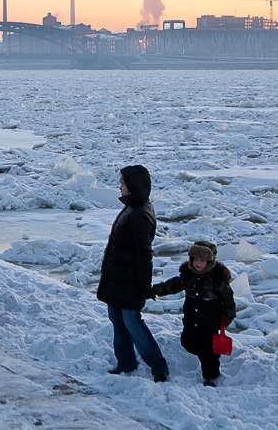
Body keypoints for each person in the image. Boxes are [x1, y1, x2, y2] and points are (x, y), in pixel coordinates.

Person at [96, 164, 169, 382]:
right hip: (118, 278)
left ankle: (159, 366)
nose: (120, 187)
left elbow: (144, 253)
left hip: (129, 280)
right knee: (116, 318)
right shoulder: (133, 207)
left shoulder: (139, 214)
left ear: (134, 187)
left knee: (132, 321)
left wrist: (144, 286)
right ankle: (126, 363)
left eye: (123, 184)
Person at [152, 241, 236, 387]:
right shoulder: (188, 276)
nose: (198, 263)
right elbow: (172, 285)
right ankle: (205, 356)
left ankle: (211, 376)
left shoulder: (217, 280)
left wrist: (228, 316)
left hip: (210, 322)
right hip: (192, 319)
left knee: (208, 350)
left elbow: (228, 298)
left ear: (209, 262)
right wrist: (154, 291)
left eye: (202, 260)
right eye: (195, 259)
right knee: (187, 342)